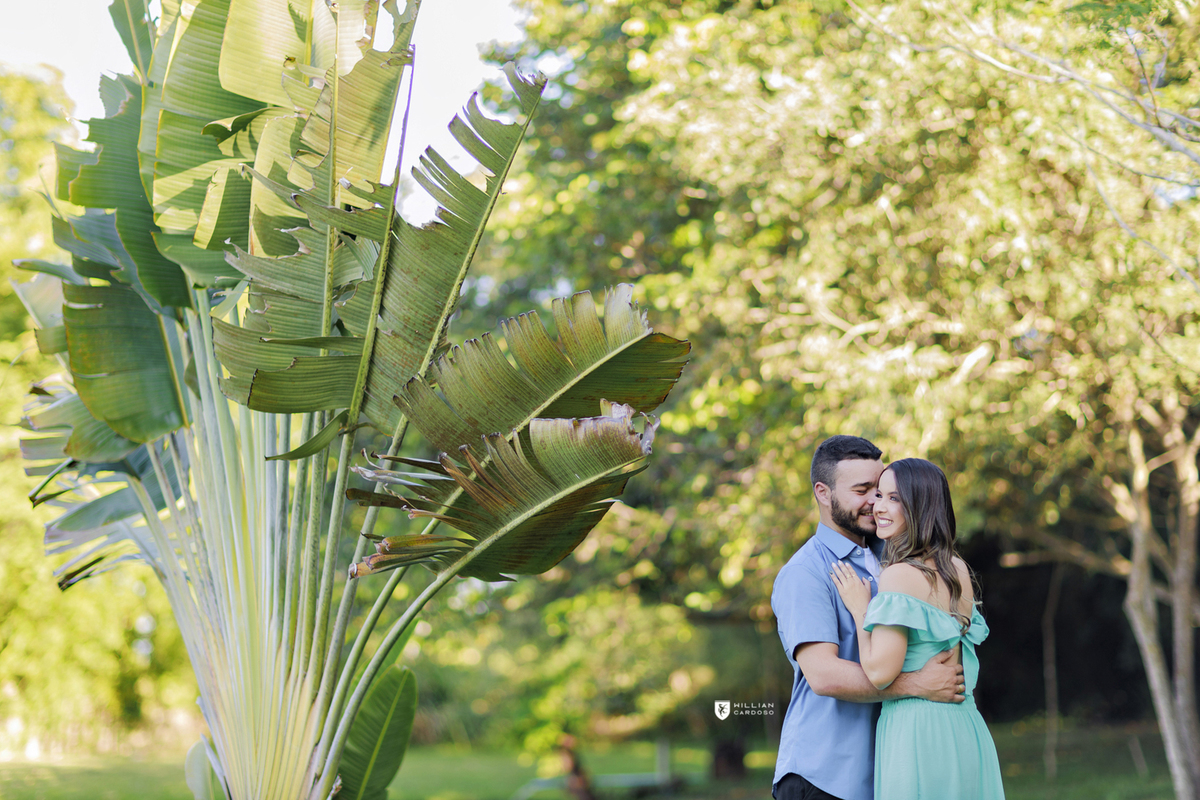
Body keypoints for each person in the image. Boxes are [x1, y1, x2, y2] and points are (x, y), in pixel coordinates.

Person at [773, 436, 966, 800]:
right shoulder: (805, 573)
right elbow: (824, 675)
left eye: (881, 491)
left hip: (894, 770)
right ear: (823, 493)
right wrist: (916, 684)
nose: (875, 503)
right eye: (862, 491)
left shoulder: (898, 557)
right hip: (826, 776)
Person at [831, 458, 1004, 800]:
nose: (879, 507)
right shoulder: (957, 569)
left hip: (919, 732)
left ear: (920, 507)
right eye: (879, 495)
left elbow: (880, 673)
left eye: (894, 498)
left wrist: (860, 609)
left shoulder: (898, 575)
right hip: (965, 727)